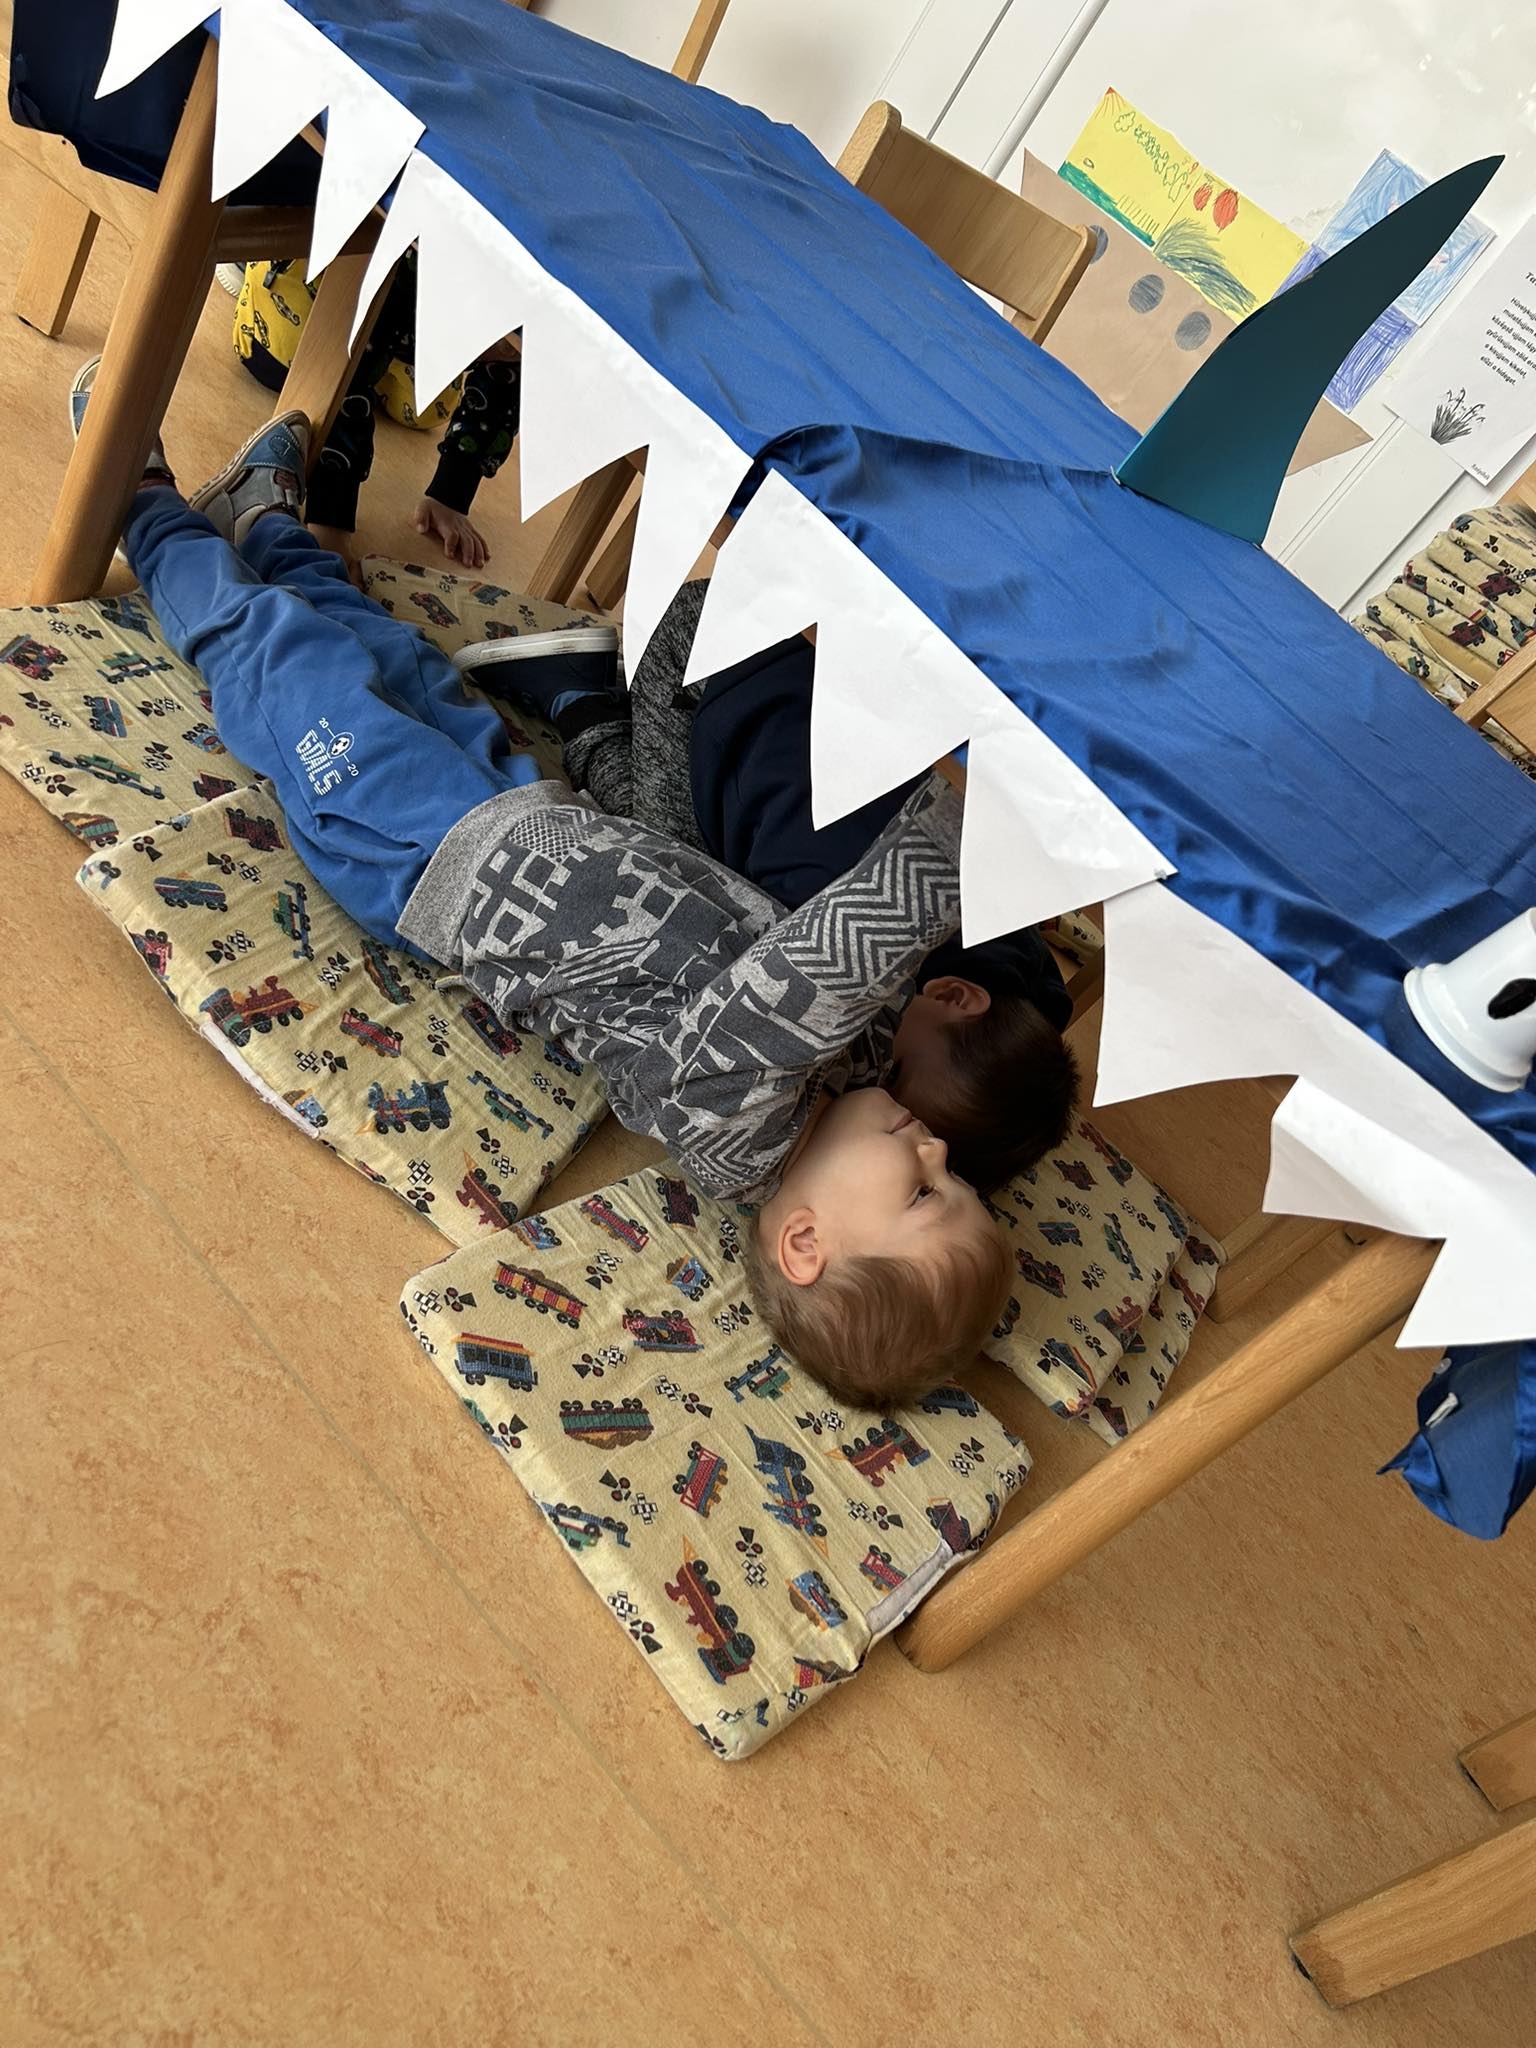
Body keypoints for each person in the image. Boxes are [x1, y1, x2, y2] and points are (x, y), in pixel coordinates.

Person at [76, 386, 1011, 1408]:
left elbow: (824, 967)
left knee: (277, 658)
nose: (936, 1146)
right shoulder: (854, 1068)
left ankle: (146, 506)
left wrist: (985, 823)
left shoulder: (734, 1132)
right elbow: (856, 987)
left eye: (925, 1191)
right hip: (527, 812)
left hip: (425, 856)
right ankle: (264, 524)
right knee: (388, 654)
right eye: (954, 1171)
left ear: (804, 1240)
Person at [457, 580, 1080, 1194]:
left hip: (810, 616)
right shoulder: (849, 921)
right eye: (892, 1072)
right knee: (672, 870)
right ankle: (579, 700)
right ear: (955, 995)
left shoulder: (1028, 989)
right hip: (709, 641)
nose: (865, 1080)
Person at [231, 253, 520, 571]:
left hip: (420, 311)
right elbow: (347, 359)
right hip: (343, 288)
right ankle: (258, 271)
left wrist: (451, 493)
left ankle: (398, 347)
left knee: (423, 412)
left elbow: (507, 378)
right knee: (280, 363)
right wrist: (330, 521)